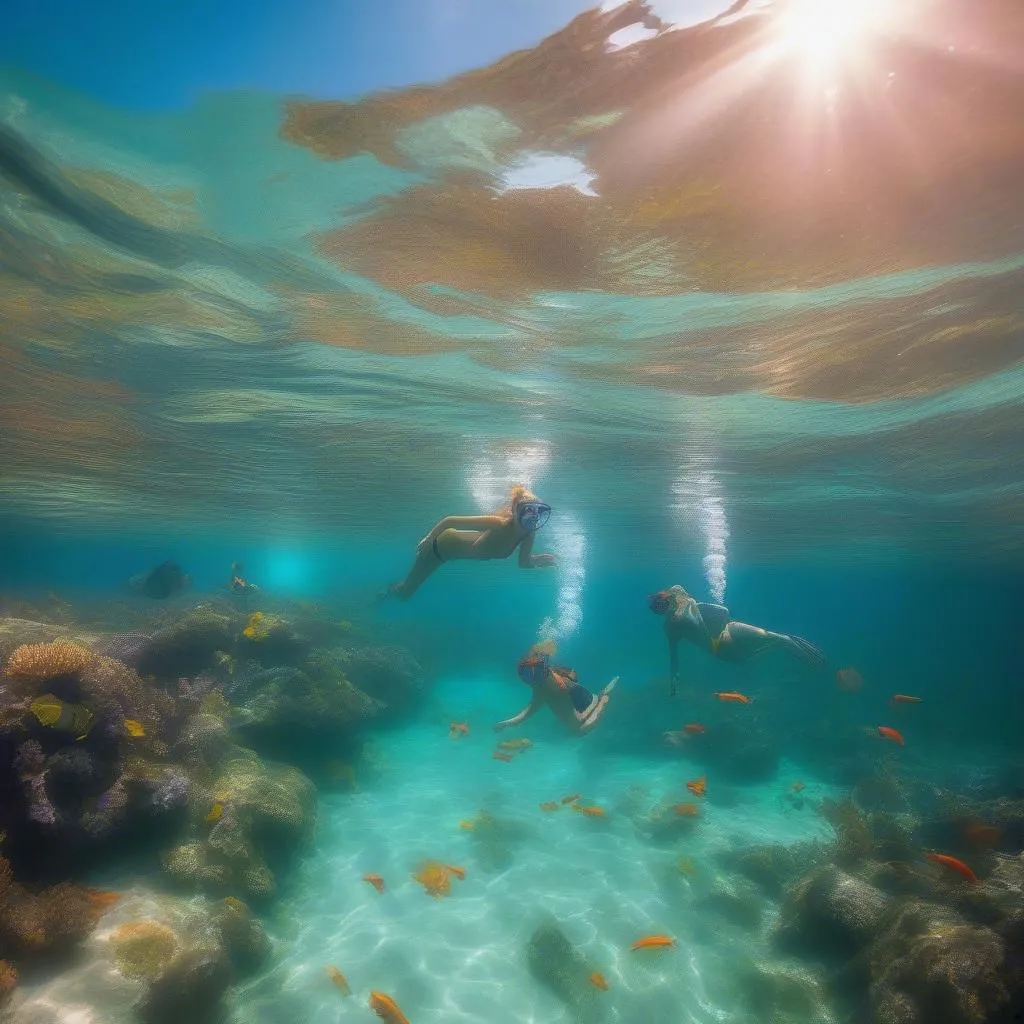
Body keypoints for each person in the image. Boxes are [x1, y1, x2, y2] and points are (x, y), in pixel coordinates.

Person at [648, 585, 827, 696]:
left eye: (662, 602)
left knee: (776, 638)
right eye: (659, 607)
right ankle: (805, 664)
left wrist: (672, 597)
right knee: (759, 653)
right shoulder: (673, 624)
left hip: (729, 629)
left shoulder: (680, 600)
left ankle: (804, 654)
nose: (663, 606)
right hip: (721, 648)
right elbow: (674, 654)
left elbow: (684, 597)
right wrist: (674, 680)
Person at [384, 485, 556, 601]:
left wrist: (539, 560)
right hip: (441, 546)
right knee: (406, 593)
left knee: (407, 591)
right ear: (515, 511)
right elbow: (451, 520)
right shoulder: (499, 524)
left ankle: (389, 589)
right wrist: (429, 539)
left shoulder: (529, 535)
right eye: (528, 510)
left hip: (449, 553)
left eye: (537, 511)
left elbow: (524, 563)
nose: (533, 516)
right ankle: (384, 593)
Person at [494, 641, 618, 737]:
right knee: (578, 731)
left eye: (536, 674)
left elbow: (526, 713)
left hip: (585, 703)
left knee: (580, 730)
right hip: (577, 703)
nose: (535, 681)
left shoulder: (557, 684)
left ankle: (604, 697)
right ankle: (602, 697)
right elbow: (526, 713)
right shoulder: (541, 690)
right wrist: (507, 723)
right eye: (527, 676)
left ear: (544, 672)